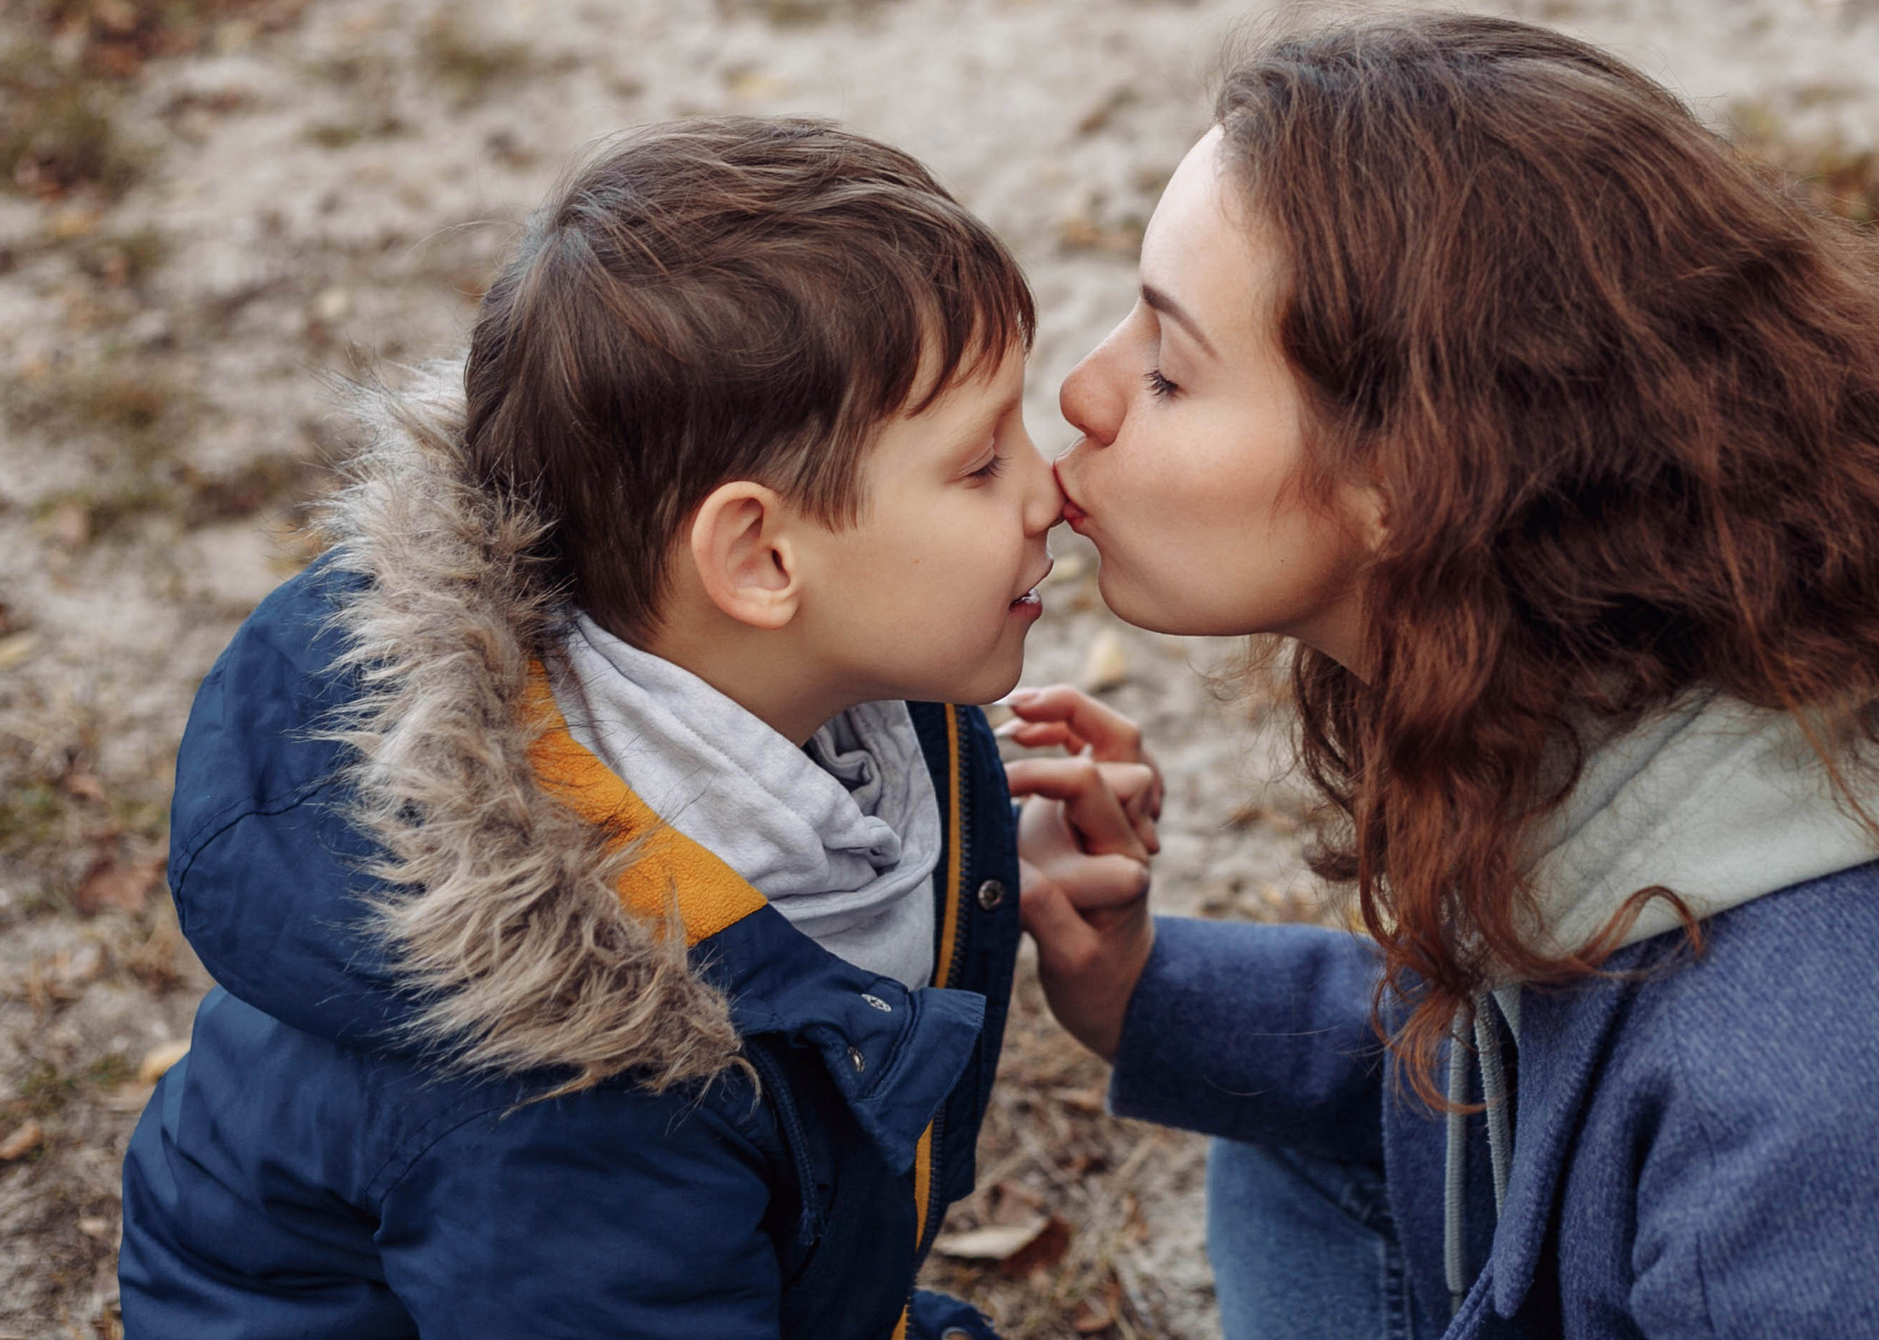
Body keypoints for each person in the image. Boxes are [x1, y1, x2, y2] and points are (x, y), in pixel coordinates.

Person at [1010, 8, 1879, 1339]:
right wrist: (1144, 988)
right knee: (1307, 1149)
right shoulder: (1677, 681)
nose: (1083, 388)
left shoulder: (1832, 1089)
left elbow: (1738, 1081)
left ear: (1415, 471)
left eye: (1171, 366)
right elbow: (1523, 1038)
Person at [119, 119, 1158, 1338]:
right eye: (980, 463)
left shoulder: (845, 677)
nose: (1051, 491)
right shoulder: (571, 1092)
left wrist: (989, 881)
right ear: (762, 556)